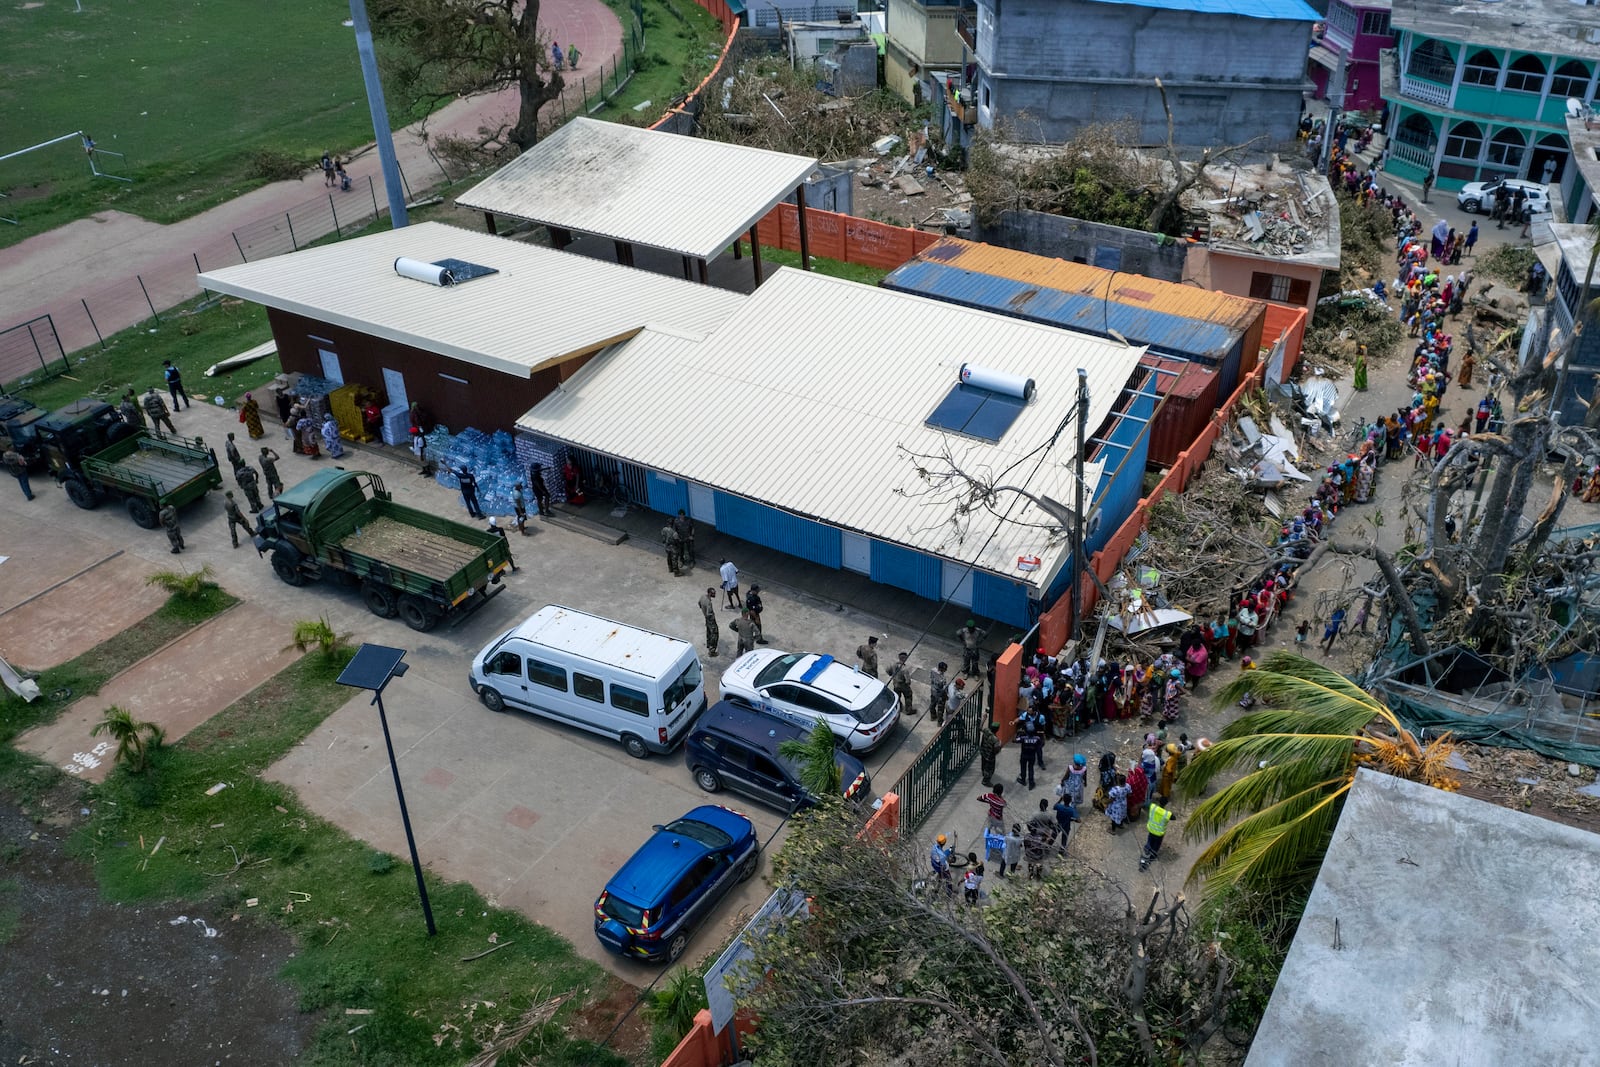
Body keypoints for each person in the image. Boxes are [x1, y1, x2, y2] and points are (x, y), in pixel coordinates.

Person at [1026, 799, 1056, 879]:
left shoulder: (1035, 814)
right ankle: (1039, 873)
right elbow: (1054, 825)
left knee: (1031, 858)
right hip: (1045, 835)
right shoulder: (1050, 815)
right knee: (1041, 855)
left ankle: (1031, 873)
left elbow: (1029, 823)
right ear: (1047, 806)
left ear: (1039, 805)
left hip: (1035, 835)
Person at [1139, 802, 1172, 871]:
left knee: (1149, 842)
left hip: (1151, 830)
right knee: (1156, 846)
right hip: (1159, 834)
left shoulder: (1153, 807)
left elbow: (1145, 804)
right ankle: (1151, 858)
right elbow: (1174, 817)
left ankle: (1145, 856)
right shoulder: (1166, 814)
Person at [1016, 723, 1042, 788]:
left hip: (1024, 755)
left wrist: (1018, 734)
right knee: (1031, 768)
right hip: (1032, 756)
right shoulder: (1037, 738)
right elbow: (1040, 745)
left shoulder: (1023, 738)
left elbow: (1015, 740)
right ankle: (1031, 782)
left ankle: (1023, 780)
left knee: (1023, 767)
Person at [697, 588, 719, 656]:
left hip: (706, 618)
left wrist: (703, 610)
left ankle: (708, 644)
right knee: (715, 634)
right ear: (709, 593)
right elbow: (709, 613)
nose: (714, 594)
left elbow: (699, 603)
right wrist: (712, 619)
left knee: (708, 631)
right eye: (713, 593)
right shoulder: (709, 602)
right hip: (710, 619)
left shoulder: (703, 596)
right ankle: (712, 651)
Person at [979, 721, 1001, 786]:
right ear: (997, 729)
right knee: (990, 769)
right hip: (990, 756)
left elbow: (980, 728)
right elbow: (996, 750)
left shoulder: (986, 730)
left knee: (983, 763)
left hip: (983, 752)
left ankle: (983, 772)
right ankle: (985, 781)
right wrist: (1000, 746)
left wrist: (983, 719)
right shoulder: (995, 739)